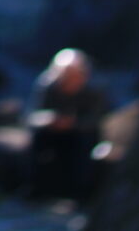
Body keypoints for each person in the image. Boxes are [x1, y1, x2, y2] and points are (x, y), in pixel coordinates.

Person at [26, 48, 107, 200]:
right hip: (52, 132)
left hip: (79, 135)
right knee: (37, 142)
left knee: (86, 147)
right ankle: (35, 191)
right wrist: (49, 120)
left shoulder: (94, 90)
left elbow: (97, 120)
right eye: (65, 76)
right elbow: (31, 115)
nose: (70, 81)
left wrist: (73, 124)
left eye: (75, 76)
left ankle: (80, 195)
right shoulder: (47, 85)